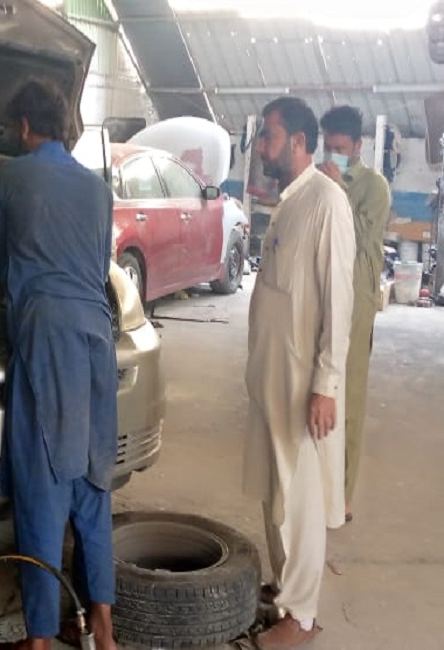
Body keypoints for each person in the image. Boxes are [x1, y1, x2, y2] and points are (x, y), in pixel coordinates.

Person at [0, 80, 118, 650]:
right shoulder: (99, 189)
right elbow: (97, 270)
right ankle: (103, 628)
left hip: (47, 339)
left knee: (43, 487)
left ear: (23, 127)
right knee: (92, 479)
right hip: (98, 339)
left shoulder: (10, 177)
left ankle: (38, 640)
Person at [244, 97, 355, 649]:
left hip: (303, 385)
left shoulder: (326, 202)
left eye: (268, 137)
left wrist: (325, 386)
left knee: (302, 503)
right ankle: (286, 588)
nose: (262, 148)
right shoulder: (288, 204)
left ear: (297, 142)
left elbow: (339, 300)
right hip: (272, 379)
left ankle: (303, 618)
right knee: (277, 494)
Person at [317, 106, 392, 521]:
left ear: (358, 146)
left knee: (349, 395)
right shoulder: (320, 177)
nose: (333, 155)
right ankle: (317, 482)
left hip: (357, 298)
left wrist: (338, 190)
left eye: (341, 149)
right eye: (328, 147)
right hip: (323, 291)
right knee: (319, 390)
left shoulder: (374, 187)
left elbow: (363, 237)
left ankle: (342, 494)